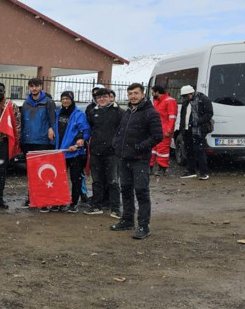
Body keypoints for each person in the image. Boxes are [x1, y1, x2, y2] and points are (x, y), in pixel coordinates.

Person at [111, 83, 163, 239]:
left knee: (141, 192)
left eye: (135, 93)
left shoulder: (151, 113)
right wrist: (116, 142)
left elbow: (157, 136)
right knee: (125, 190)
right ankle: (127, 220)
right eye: (130, 94)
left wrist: (139, 147)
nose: (132, 96)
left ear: (143, 94)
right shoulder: (128, 112)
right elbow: (120, 131)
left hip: (140, 160)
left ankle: (143, 226)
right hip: (124, 158)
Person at [84, 89, 125, 218]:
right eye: (99, 97)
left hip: (112, 153)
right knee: (97, 181)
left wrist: (117, 145)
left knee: (113, 181)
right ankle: (96, 206)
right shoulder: (92, 112)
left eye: (104, 97)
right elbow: (88, 128)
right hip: (96, 152)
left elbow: (123, 131)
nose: (101, 99)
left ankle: (115, 208)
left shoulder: (119, 112)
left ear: (110, 97)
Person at [19, 77, 56, 209]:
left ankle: (43, 200)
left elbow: (53, 120)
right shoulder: (25, 103)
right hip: (28, 141)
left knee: (43, 171)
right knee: (31, 173)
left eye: (36, 86)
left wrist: (52, 130)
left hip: (43, 142)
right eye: (31, 86)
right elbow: (22, 122)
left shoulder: (48, 102)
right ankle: (31, 198)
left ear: (41, 87)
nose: (34, 89)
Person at [52, 91, 90, 213]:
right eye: (63, 99)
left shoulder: (79, 115)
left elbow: (85, 132)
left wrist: (76, 145)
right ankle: (60, 201)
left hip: (74, 153)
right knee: (59, 179)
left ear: (72, 99)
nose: (65, 101)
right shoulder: (57, 113)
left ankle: (74, 202)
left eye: (67, 98)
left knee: (76, 179)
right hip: (60, 152)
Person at [179, 85, 213, 180]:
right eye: (184, 96)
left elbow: (209, 114)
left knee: (199, 150)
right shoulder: (186, 102)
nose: (186, 98)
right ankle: (191, 171)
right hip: (187, 129)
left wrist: (198, 121)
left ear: (192, 93)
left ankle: (203, 172)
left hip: (199, 129)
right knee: (189, 151)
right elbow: (183, 116)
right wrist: (182, 128)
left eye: (187, 96)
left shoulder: (203, 99)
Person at [150, 85, 178, 176]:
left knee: (162, 149)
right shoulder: (157, 101)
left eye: (152, 92)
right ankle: (150, 167)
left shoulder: (169, 101)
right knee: (153, 148)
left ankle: (162, 168)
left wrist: (169, 130)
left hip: (164, 129)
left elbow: (172, 117)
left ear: (157, 92)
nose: (152, 94)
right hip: (156, 128)